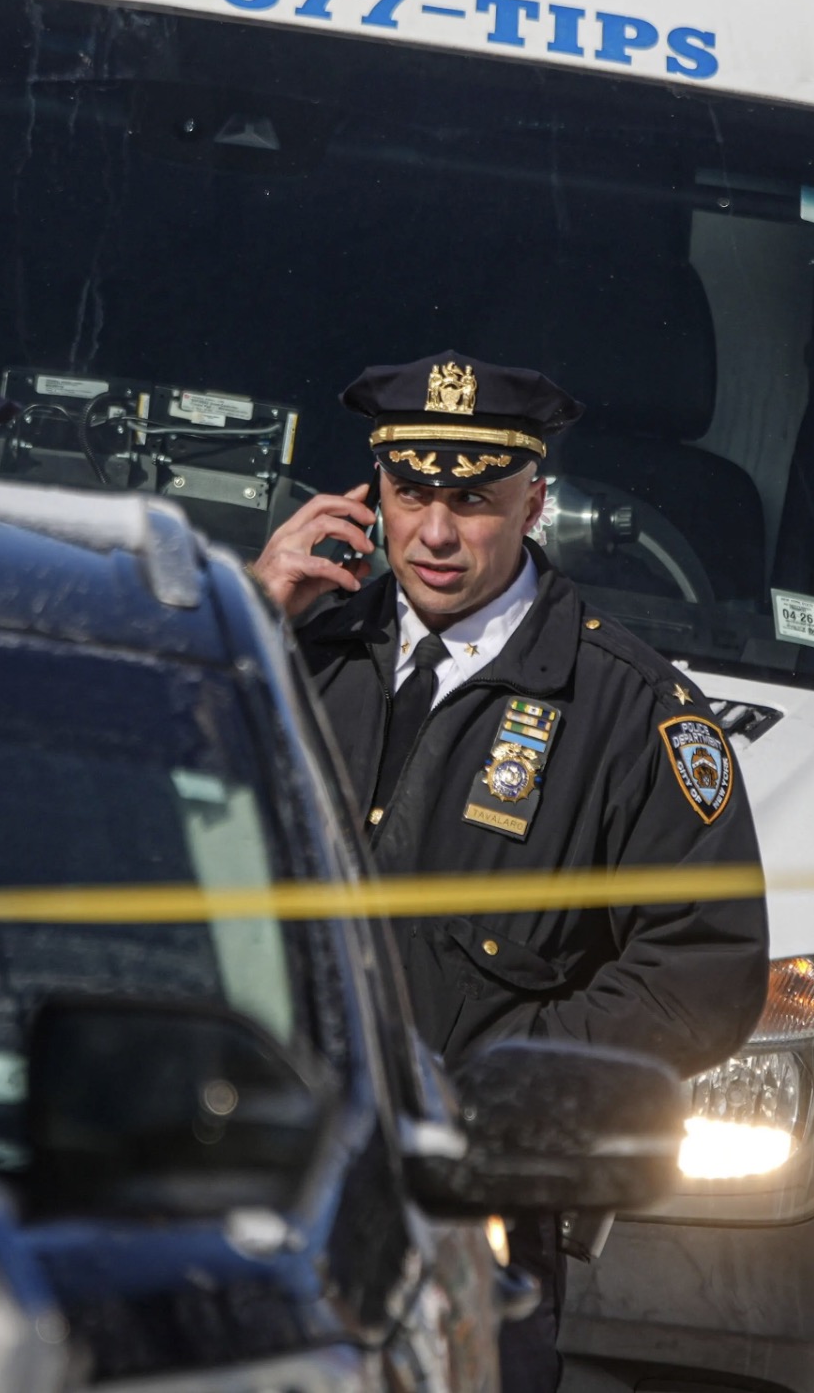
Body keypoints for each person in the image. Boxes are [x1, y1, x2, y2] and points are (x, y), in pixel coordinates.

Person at [251, 352, 768, 1393]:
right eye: (410, 493)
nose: (434, 533)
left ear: (534, 500)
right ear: (370, 491)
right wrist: (253, 610)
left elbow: (704, 965)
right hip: (258, 1182)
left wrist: (504, 1085)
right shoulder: (291, 652)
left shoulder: (630, 709)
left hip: (471, 1221)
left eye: (473, 501)